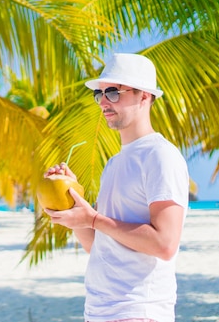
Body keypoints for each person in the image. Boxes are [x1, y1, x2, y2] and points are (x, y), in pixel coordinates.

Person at [44, 53, 189, 322]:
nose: (103, 103)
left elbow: (165, 244)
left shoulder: (160, 156)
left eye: (113, 92)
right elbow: (99, 245)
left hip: (138, 311)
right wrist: (72, 206)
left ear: (144, 95)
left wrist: (94, 218)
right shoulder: (114, 163)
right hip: (100, 311)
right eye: (98, 95)